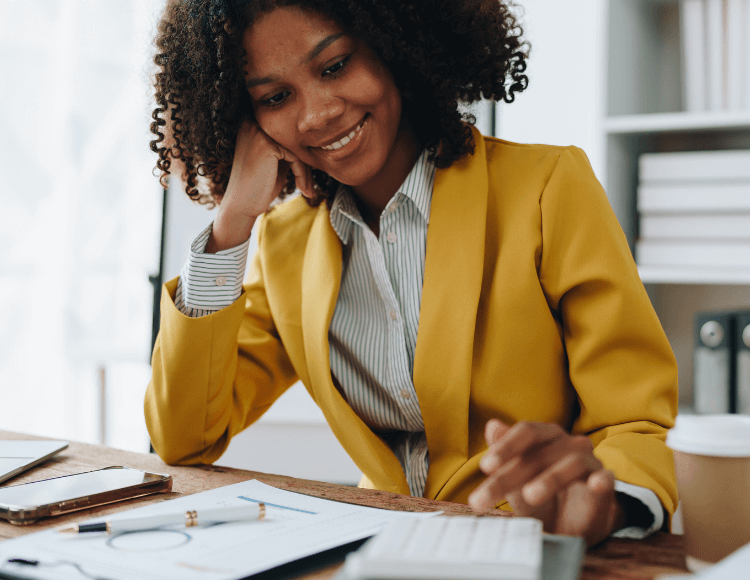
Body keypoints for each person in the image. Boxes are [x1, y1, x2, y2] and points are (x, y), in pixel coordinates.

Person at [144, 0, 679, 546]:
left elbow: (634, 424)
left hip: (533, 545)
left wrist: (602, 501)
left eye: (335, 66)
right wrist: (232, 224)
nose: (318, 113)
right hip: (383, 549)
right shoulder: (286, 244)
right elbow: (185, 437)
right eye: (276, 98)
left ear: (395, 44)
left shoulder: (545, 189)